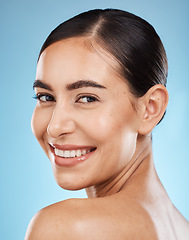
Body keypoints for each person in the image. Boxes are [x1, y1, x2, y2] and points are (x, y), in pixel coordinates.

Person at [25, 9, 189, 240]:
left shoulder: (67, 227)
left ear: (150, 108)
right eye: (45, 97)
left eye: (87, 98)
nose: (55, 127)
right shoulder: (182, 229)